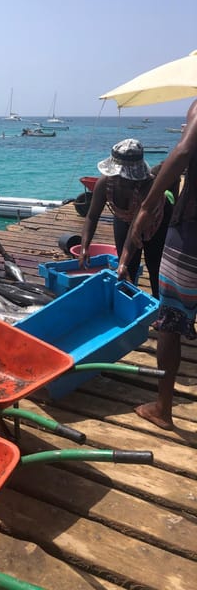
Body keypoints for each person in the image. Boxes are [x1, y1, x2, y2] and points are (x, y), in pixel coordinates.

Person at [118, 99, 197, 430]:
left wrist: (148, 208)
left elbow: (182, 152)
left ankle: (163, 409)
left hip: (192, 229)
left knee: (170, 319)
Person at [79, 138, 177, 299]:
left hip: (157, 222)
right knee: (126, 269)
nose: (121, 180)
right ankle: (130, 304)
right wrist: (84, 247)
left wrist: (123, 262)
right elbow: (92, 216)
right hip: (124, 220)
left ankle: (159, 308)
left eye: (126, 177)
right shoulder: (104, 183)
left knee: (155, 266)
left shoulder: (148, 187)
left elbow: (135, 229)